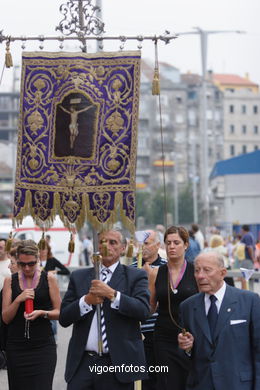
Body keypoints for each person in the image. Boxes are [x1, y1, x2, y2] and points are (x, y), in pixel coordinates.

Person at [59, 229, 150, 390]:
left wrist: (112, 295)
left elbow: (143, 311)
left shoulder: (135, 276)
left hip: (117, 364)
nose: (106, 246)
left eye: (112, 242)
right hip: (83, 363)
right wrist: (86, 301)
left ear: (123, 248)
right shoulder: (80, 277)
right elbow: (64, 318)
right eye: (102, 242)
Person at [178, 251, 260, 390]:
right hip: (201, 384)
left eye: (207, 270)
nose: (200, 276)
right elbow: (184, 358)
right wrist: (187, 348)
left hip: (238, 385)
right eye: (197, 271)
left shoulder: (249, 301)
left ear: (223, 273)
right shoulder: (187, 307)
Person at [2, 240, 61, 390]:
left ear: (38, 259)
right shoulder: (10, 281)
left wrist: (43, 313)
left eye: (31, 264)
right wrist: (18, 300)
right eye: (22, 264)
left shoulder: (49, 279)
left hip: (43, 346)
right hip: (16, 347)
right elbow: (5, 318)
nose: (27, 268)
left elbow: (59, 312)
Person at [149, 226, 198, 390]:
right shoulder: (155, 273)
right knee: (167, 383)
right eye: (168, 243)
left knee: (190, 381)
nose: (171, 247)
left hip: (191, 337)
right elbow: (149, 308)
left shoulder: (195, 271)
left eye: (176, 242)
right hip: (164, 337)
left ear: (186, 245)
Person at [132, 230, 167, 390]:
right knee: (141, 380)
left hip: (159, 331)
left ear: (158, 245)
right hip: (136, 333)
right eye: (139, 243)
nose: (142, 247)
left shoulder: (166, 268)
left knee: (160, 378)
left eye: (146, 243)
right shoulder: (130, 269)